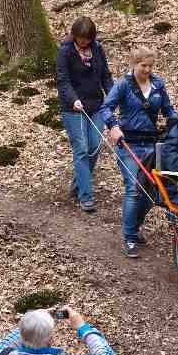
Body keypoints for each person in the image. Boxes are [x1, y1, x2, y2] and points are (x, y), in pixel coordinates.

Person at [97, 46, 178, 258]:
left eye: (151, 66)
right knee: (134, 188)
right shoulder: (123, 85)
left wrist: (175, 121)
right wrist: (113, 126)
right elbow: (106, 108)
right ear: (134, 64)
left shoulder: (158, 85)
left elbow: (168, 109)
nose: (148, 70)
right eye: (144, 66)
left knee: (152, 192)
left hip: (152, 144)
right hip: (129, 144)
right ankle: (129, 237)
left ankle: (135, 225)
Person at [56, 16, 113, 213]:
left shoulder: (97, 49)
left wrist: (112, 97)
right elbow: (63, 81)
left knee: (94, 146)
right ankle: (86, 197)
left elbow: (106, 75)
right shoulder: (65, 51)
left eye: (86, 38)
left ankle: (78, 183)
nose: (83, 42)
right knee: (81, 149)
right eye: (80, 38)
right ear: (74, 35)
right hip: (73, 108)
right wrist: (73, 99)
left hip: (95, 104)